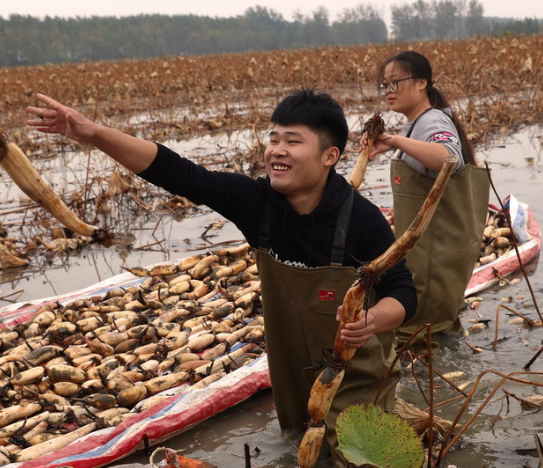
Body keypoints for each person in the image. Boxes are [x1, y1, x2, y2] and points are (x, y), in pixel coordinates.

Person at [27, 89, 417, 465]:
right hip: (294, 382)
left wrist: (370, 321)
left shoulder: (361, 219)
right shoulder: (257, 203)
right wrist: (93, 133)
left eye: (293, 141)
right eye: (274, 139)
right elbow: (179, 173)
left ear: (330, 155)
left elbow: (403, 292)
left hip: (357, 382)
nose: (277, 150)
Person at [361, 51, 489, 349]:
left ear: (422, 83)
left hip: (434, 257)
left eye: (395, 82)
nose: (388, 91)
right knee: (435, 334)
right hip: (428, 254)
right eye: (385, 85)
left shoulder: (432, 120)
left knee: (422, 336)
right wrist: (390, 144)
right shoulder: (418, 122)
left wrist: (394, 140)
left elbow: (449, 158)